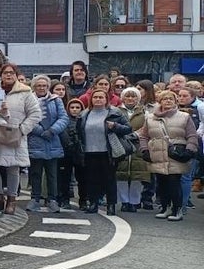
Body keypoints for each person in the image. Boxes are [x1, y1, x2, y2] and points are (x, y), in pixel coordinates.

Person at [140, 90, 200, 221]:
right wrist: (144, 150)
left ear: (175, 101)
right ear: (159, 101)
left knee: (174, 183)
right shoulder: (150, 118)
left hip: (176, 155)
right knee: (161, 184)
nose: (168, 101)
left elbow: (192, 135)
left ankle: (177, 209)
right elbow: (144, 136)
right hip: (157, 154)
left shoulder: (184, 116)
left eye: (171, 99)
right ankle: (165, 207)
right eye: (164, 99)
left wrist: (189, 150)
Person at [0, 63, 42, 215]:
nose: (8, 75)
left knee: (13, 168)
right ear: (0, 75)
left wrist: (22, 130)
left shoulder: (25, 92)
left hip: (16, 134)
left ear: (16, 75)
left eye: (11, 73)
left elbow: (35, 114)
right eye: (5, 73)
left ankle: (12, 200)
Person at [76, 88, 131, 216]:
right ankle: (93, 203)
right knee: (91, 179)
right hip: (89, 151)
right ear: (91, 99)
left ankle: (111, 205)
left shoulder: (115, 112)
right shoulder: (84, 114)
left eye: (101, 97)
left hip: (108, 151)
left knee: (109, 179)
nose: (98, 100)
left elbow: (128, 128)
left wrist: (115, 126)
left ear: (106, 99)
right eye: (95, 97)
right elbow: (79, 132)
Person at [27, 75, 69, 214]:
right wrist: (39, 131)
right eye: (39, 85)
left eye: (44, 85)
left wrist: (52, 130)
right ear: (34, 87)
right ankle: (35, 199)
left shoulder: (56, 100)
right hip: (35, 141)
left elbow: (63, 118)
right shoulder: (29, 100)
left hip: (53, 141)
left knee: (52, 174)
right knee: (35, 173)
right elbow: (27, 118)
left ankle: (52, 199)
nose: (41, 88)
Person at [115, 87, 151, 213]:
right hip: (121, 145)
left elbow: (147, 127)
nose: (130, 99)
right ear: (123, 98)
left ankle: (134, 202)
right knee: (121, 176)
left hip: (138, 146)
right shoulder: (116, 111)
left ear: (138, 98)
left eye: (133, 96)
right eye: (127, 96)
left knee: (137, 176)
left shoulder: (145, 112)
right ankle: (124, 201)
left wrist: (135, 135)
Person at [58, 97, 86, 210]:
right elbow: (62, 134)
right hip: (66, 152)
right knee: (65, 178)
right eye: (72, 107)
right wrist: (69, 144)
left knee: (83, 178)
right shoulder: (64, 120)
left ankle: (83, 200)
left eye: (77, 107)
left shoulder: (84, 120)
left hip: (81, 152)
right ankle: (64, 199)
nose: (75, 110)